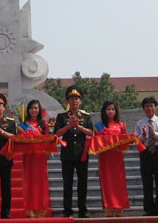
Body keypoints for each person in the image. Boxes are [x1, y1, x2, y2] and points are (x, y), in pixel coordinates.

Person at [53, 85, 94, 218]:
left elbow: (91, 132)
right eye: (72, 99)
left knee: (83, 183)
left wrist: (78, 126)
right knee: (67, 183)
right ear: (67, 102)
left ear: (80, 101)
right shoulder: (61, 116)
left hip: (82, 153)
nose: (74, 101)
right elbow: (57, 134)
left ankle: (82, 209)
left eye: (77, 99)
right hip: (67, 154)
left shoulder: (86, 116)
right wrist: (69, 125)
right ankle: (67, 210)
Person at [134, 96, 158, 216]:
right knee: (147, 180)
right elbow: (136, 140)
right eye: (147, 106)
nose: (149, 108)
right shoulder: (140, 123)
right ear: (143, 109)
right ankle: (148, 207)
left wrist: (155, 134)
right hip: (145, 152)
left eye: (151, 106)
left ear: (155, 107)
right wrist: (143, 136)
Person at [94, 101, 129, 217]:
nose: (110, 111)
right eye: (108, 109)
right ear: (104, 111)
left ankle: (119, 209)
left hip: (117, 158)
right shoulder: (99, 126)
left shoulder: (121, 126)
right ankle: (108, 209)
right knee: (106, 183)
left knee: (119, 183)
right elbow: (97, 143)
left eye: (113, 109)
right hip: (105, 159)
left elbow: (125, 143)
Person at [18, 99, 50, 218]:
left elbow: (47, 140)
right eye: (32, 108)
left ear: (39, 110)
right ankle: (30, 209)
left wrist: (47, 152)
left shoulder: (44, 124)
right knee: (29, 181)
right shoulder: (23, 125)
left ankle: (41, 208)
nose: (34, 110)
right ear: (28, 110)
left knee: (40, 182)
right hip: (29, 156)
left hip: (40, 156)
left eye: (36, 108)